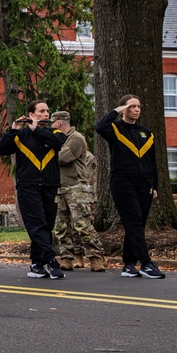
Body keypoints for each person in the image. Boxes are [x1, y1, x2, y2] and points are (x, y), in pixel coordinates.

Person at [0, 100, 67, 280]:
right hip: (28, 186)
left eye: (47, 111)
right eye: (41, 111)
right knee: (37, 224)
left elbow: (59, 142)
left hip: (50, 185)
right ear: (31, 115)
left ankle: (36, 263)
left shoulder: (54, 132)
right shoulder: (20, 135)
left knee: (47, 224)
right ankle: (51, 261)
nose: (46, 114)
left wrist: (37, 130)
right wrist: (14, 129)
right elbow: (1, 149)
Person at [95, 95, 165, 279]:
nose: (136, 110)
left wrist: (154, 186)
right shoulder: (115, 129)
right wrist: (116, 111)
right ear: (124, 109)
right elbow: (99, 127)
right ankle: (146, 263)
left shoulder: (146, 133)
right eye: (132, 106)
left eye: (138, 107)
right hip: (123, 183)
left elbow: (153, 162)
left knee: (137, 225)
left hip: (145, 185)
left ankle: (128, 264)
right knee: (133, 222)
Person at [49, 111, 107, 273]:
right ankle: (67, 258)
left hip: (76, 187)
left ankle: (96, 257)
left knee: (82, 225)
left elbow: (62, 157)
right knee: (61, 226)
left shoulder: (76, 139)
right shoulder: (58, 139)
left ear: (59, 123)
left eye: (52, 123)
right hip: (60, 187)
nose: (51, 127)